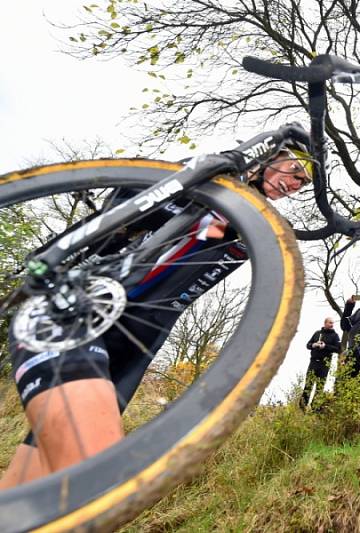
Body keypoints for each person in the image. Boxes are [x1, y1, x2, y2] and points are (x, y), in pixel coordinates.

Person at [1, 127, 315, 488]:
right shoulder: (199, 178)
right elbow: (128, 203)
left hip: (140, 340)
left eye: (304, 184)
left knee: (36, 483)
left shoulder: (253, 223)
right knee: (96, 484)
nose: (296, 185)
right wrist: (208, 196)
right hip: (81, 312)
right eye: (295, 173)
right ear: (267, 159)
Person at [300, 317, 341, 410]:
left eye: (332, 323)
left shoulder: (335, 336)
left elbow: (338, 349)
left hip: (325, 364)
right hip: (313, 362)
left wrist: (325, 346)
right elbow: (308, 345)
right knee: (308, 384)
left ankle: (315, 408)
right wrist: (313, 345)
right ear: (325, 323)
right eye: (330, 323)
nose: (332, 325)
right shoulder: (317, 333)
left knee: (320, 386)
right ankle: (303, 406)